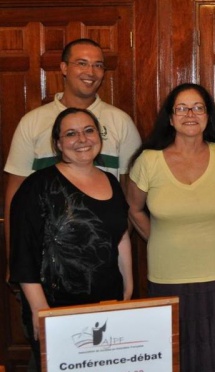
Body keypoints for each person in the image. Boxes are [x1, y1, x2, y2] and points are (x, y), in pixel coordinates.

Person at [127, 83, 215, 372]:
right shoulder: (149, 161)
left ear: (208, 116)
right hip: (167, 277)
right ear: (170, 118)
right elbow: (134, 208)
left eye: (198, 107)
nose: (190, 114)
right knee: (174, 359)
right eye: (181, 108)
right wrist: (162, 239)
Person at [4, 37, 141, 277]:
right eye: (82, 63)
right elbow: (14, 197)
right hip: (44, 260)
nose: (91, 72)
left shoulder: (121, 122)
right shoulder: (33, 122)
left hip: (102, 260)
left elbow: (131, 196)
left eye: (98, 65)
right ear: (64, 68)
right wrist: (14, 260)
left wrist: (112, 244)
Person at [9, 108, 133, 372]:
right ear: (58, 143)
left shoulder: (111, 181)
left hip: (106, 302)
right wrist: (40, 309)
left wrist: (128, 287)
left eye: (89, 130)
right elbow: (22, 252)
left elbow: (120, 236)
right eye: (71, 133)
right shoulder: (37, 186)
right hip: (55, 307)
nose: (82, 139)